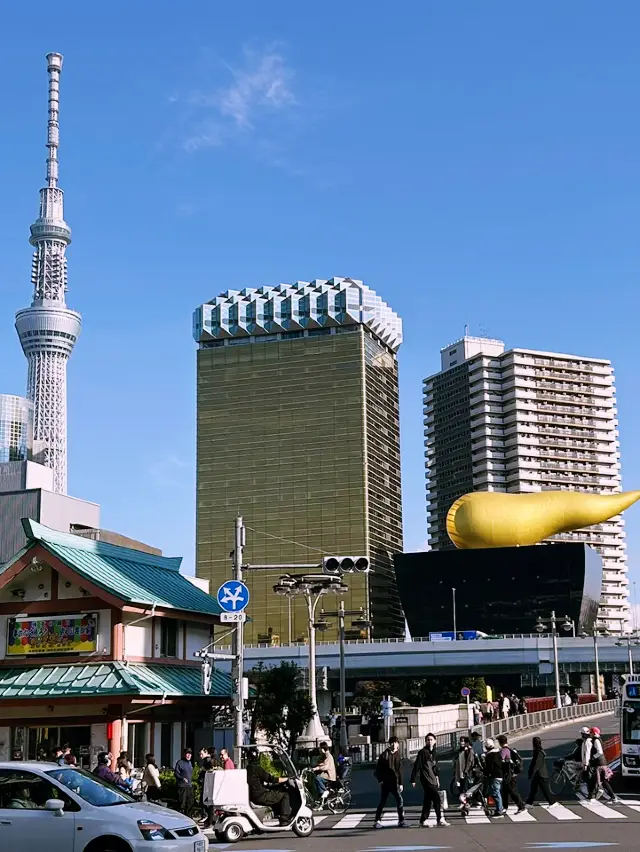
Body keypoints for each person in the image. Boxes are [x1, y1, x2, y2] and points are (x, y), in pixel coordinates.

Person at [410, 732, 449, 827]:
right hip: (426, 779)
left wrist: (437, 778)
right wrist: (413, 779)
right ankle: (439, 819)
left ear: (435, 741)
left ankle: (423, 820)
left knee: (427, 800)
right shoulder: (423, 752)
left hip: (433, 779)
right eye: (428, 740)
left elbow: (435, 768)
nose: (430, 741)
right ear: (425, 741)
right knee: (436, 798)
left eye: (431, 740)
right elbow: (417, 765)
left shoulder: (433, 752)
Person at [246, 748, 291, 825]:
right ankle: (284, 819)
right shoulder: (257, 768)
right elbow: (271, 779)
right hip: (261, 796)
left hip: (253, 795)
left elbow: (259, 781)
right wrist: (286, 779)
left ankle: (276, 814)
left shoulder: (248, 768)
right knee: (284, 794)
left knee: (274, 792)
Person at [374, 735, 406, 829]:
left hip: (395, 782)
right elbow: (378, 769)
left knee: (400, 800)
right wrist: (380, 780)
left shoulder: (397, 754)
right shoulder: (385, 754)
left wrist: (401, 783)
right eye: (392, 743)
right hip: (386, 782)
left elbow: (399, 769)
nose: (394, 745)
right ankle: (377, 820)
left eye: (396, 743)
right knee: (383, 802)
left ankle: (401, 820)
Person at [587, 727, 621, 804]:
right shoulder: (596, 740)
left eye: (591, 733)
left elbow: (600, 752)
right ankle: (612, 797)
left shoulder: (596, 741)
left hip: (599, 764)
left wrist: (592, 758)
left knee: (595, 780)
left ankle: (593, 797)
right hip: (601, 763)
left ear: (594, 733)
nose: (590, 734)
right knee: (602, 781)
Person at [496, 734, 525, 813]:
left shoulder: (504, 750)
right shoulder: (509, 749)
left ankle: (521, 806)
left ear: (500, 742)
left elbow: (499, 761)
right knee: (505, 791)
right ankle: (504, 807)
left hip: (509, 774)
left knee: (511, 791)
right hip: (511, 773)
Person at [525, 736, 556, 807]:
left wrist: (532, 772)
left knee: (545, 790)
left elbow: (536, 764)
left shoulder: (539, 752)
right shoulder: (539, 751)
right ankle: (529, 803)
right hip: (538, 774)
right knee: (533, 789)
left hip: (541, 774)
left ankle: (553, 802)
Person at [484, 739, 506, 817]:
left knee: (495, 793)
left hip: (495, 776)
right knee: (497, 792)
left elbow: (489, 768)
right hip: (500, 775)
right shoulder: (498, 753)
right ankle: (500, 808)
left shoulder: (490, 756)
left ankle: (499, 810)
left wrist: (486, 773)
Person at [453, 736, 478, 801]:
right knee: (460, 786)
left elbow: (469, 762)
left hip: (465, 772)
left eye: (463, 741)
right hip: (459, 771)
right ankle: (464, 800)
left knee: (465, 787)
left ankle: (467, 801)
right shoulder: (459, 751)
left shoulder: (468, 751)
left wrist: (466, 770)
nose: (461, 742)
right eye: (461, 740)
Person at [174, 748, 194, 816]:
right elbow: (176, 773)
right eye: (187, 754)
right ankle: (181, 818)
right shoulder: (180, 763)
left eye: (190, 754)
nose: (189, 755)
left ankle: (189, 818)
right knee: (181, 804)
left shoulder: (190, 763)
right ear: (184, 754)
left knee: (190, 803)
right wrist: (182, 778)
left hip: (189, 786)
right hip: (182, 787)